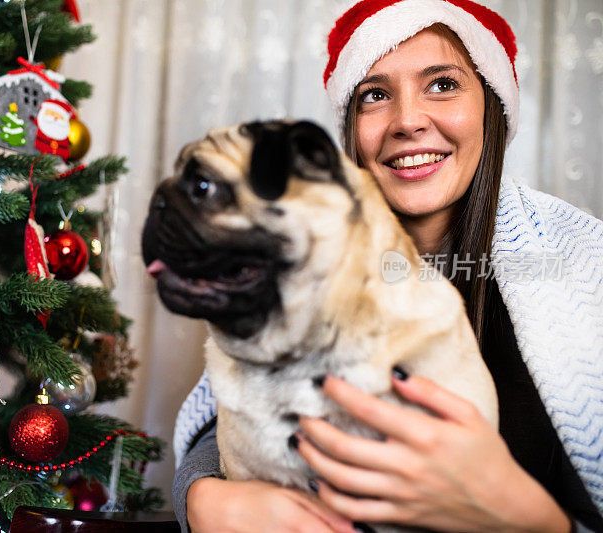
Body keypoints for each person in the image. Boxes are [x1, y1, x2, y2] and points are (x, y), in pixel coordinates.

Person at [171, 1, 603, 532]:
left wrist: (529, 518)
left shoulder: (577, 266)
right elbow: (232, 415)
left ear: (492, 107)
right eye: (375, 95)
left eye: (442, 84)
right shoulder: (296, 252)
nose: (407, 121)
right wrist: (203, 498)